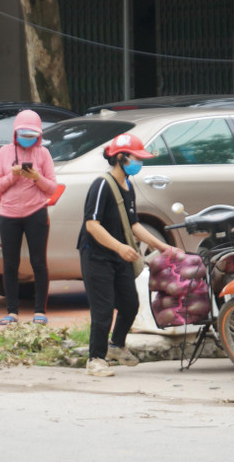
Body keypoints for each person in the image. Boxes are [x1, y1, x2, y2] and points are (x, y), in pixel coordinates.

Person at [77, 133, 175, 377]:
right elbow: (92, 225)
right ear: (120, 158)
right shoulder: (102, 185)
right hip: (96, 255)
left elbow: (133, 225)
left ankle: (116, 346)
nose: (139, 163)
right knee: (103, 309)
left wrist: (162, 247)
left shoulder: (128, 186)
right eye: (136, 158)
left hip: (119, 256)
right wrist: (119, 247)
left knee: (130, 304)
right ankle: (95, 359)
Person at [0, 110, 57, 325]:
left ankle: (40, 311)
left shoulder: (43, 154)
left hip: (36, 211)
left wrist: (37, 177)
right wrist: (14, 175)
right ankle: (12, 312)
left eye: (32, 135)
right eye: (23, 134)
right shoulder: (4, 152)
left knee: (38, 261)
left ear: (38, 135)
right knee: (10, 263)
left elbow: (52, 189)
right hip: (8, 213)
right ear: (15, 133)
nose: (27, 139)